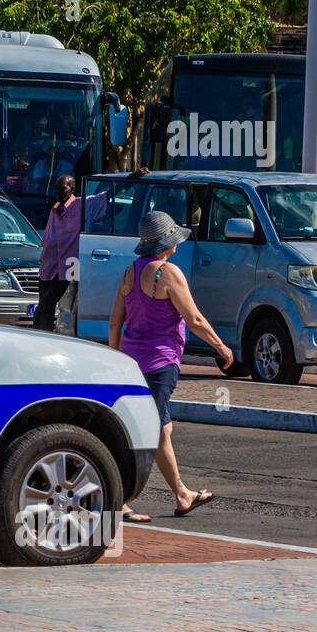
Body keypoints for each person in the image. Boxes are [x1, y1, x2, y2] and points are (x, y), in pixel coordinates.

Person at [109, 210, 232, 520]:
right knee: (152, 431)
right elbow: (195, 319)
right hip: (160, 363)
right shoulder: (169, 273)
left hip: (132, 362)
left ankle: (182, 494)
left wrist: (116, 359)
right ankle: (121, 498)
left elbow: (114, 323)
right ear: (167, 242)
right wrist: (221, 347)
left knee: (162, 427)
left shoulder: (129, 273)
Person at [33, 174, 79, 332]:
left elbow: (106, 196)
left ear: (72, 189)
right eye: (56, 189)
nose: (58, 192)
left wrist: (131, 177)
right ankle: (41, 335)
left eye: (62, 188)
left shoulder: (81, 205)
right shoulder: (55, 208)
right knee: (44, 304)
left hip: (67, 266)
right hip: (48, 264)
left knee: (47, 303)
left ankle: (41, 335)